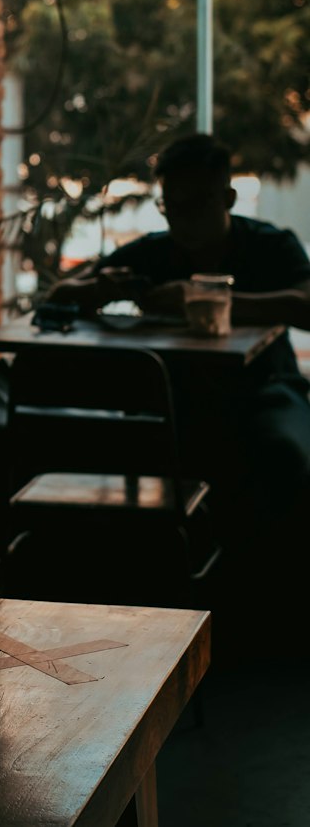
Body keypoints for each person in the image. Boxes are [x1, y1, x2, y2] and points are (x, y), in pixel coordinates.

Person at [46, 132, 310, 569]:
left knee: (285, 455)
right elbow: (61, 292)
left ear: (227, 197)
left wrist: (204, 298)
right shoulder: (155, 251)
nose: (183, 222)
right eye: (172, 208)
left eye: (197, 206)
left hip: (266, 388)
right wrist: (99, 287)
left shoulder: (269, 245)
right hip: (178, 399)